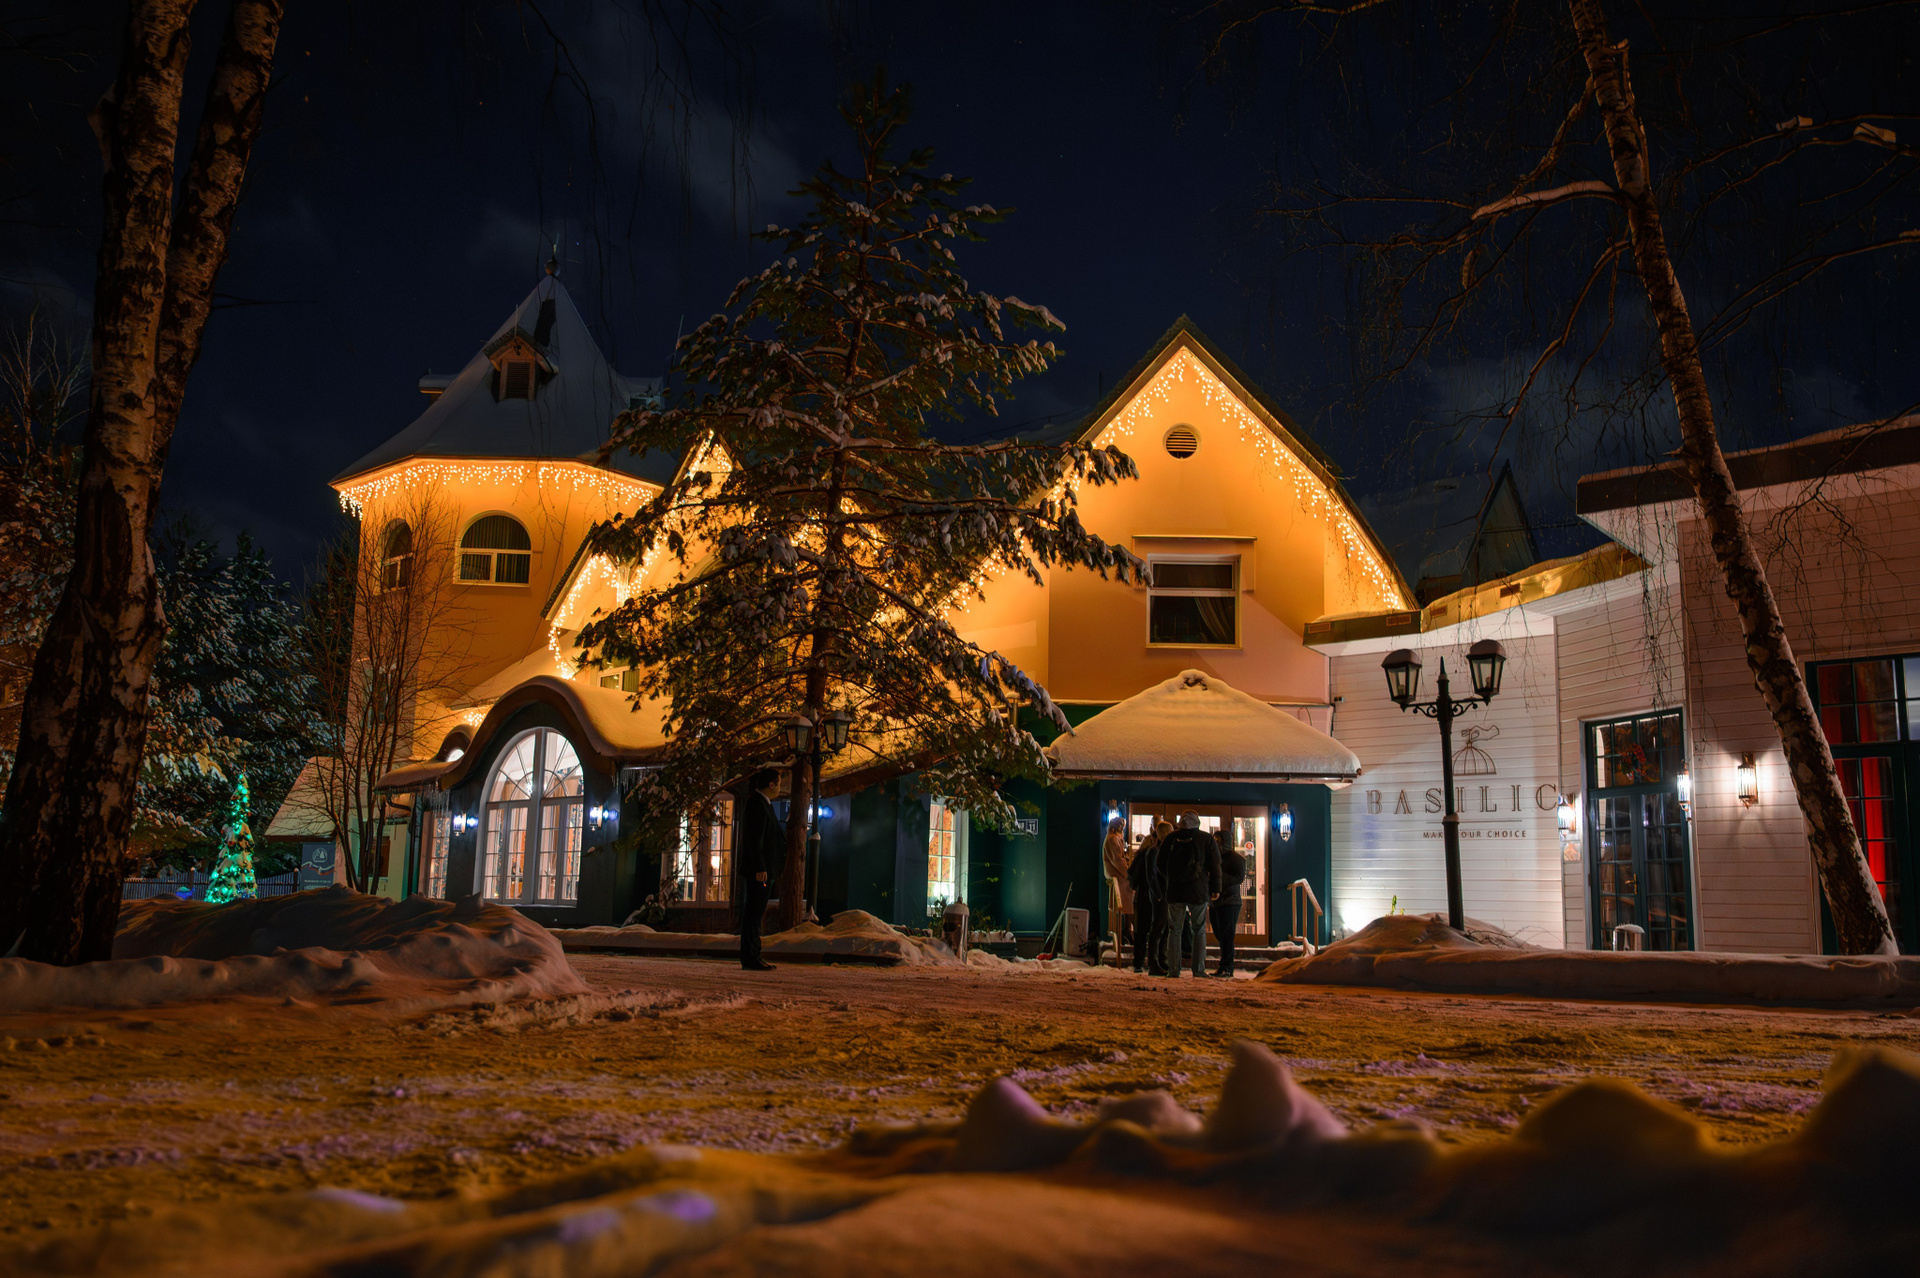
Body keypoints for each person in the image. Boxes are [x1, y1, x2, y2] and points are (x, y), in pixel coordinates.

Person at [732, 768, 784, 971]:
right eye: (779, 783)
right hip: (761, 871)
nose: (780, 788)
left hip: (765, 869)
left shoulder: (763, 804)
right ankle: (751, 956)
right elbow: (755, 839)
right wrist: (760, 867)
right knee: (754, 913)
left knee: (755, 913)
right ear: (771, 784)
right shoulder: (757, 804)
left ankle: (754, 955)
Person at [1157, 811, 1220, 978]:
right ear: (1197, 822)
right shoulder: (1206, 839)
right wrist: (1216, 888)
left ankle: (1173, 970)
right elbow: (1215, 865)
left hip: (1175, 891)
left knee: (1174, 930)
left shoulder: (1171, 838)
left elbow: (1160, 863)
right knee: (1199, 930)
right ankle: (1198, 969)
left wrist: (1171, 878)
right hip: (1198, 890)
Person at [1126, 820, 1170, 974]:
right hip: (1151, 896)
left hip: (1144, 895)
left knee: (1144, 931)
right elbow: (1151, 875)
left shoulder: (1145, 853)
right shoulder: (1154, 852)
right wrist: (1158, 894)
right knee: (1156, 930)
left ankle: (1141, 962)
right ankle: (1155, 962)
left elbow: (1132, 876)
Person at [1210, 832, 1248, 978]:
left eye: (1219, 841)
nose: (1217, 844)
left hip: (1230, 901)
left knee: (1226, 935)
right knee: (1219, 933)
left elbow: (1238, 878)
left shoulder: (1237, 859)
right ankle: (1225, 965)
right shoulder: (1214, 858)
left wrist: (1219, 879)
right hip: (1216, 901)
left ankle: (1227, 966)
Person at [1102, 818, 1133, 965]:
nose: (1122, 827)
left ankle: (1127, 930)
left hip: (1118, 875)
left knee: (1126, 905)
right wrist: (1128, 873)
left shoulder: (1114, 838)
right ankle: (1125, 931)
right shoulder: (1113, 839)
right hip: (1118, 876)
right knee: (1125, 903)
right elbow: (1118, 860)